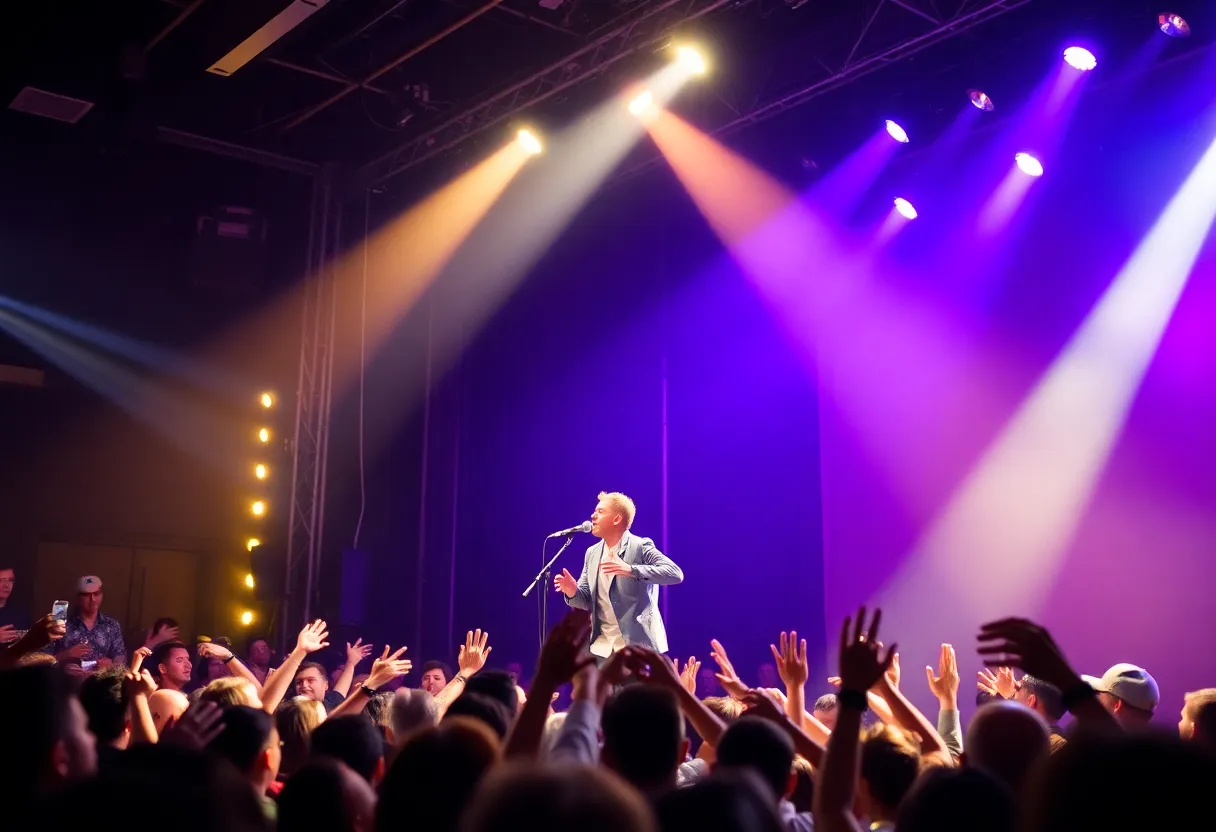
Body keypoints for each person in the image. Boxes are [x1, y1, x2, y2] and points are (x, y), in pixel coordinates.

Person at [554, 491, 683, 659]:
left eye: (600, 511)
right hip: (602, 647)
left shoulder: (640, 546)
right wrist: (572, 591)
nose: (593, 516)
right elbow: (586, 601)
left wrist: (631, 570)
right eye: (594, 511)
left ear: (616, 519)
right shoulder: (592, 553)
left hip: (637, 647)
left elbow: (675, 573)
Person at [49, 576, 126, 668]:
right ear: (78, 597)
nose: (93, 599)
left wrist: (111, 664)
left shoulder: (111, 624)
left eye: (96, 594)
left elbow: (120, 656)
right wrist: (66, 655)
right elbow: (43, 659)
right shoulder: (61, 624)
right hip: (67, 676)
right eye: (86, 595)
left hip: (100, 676)